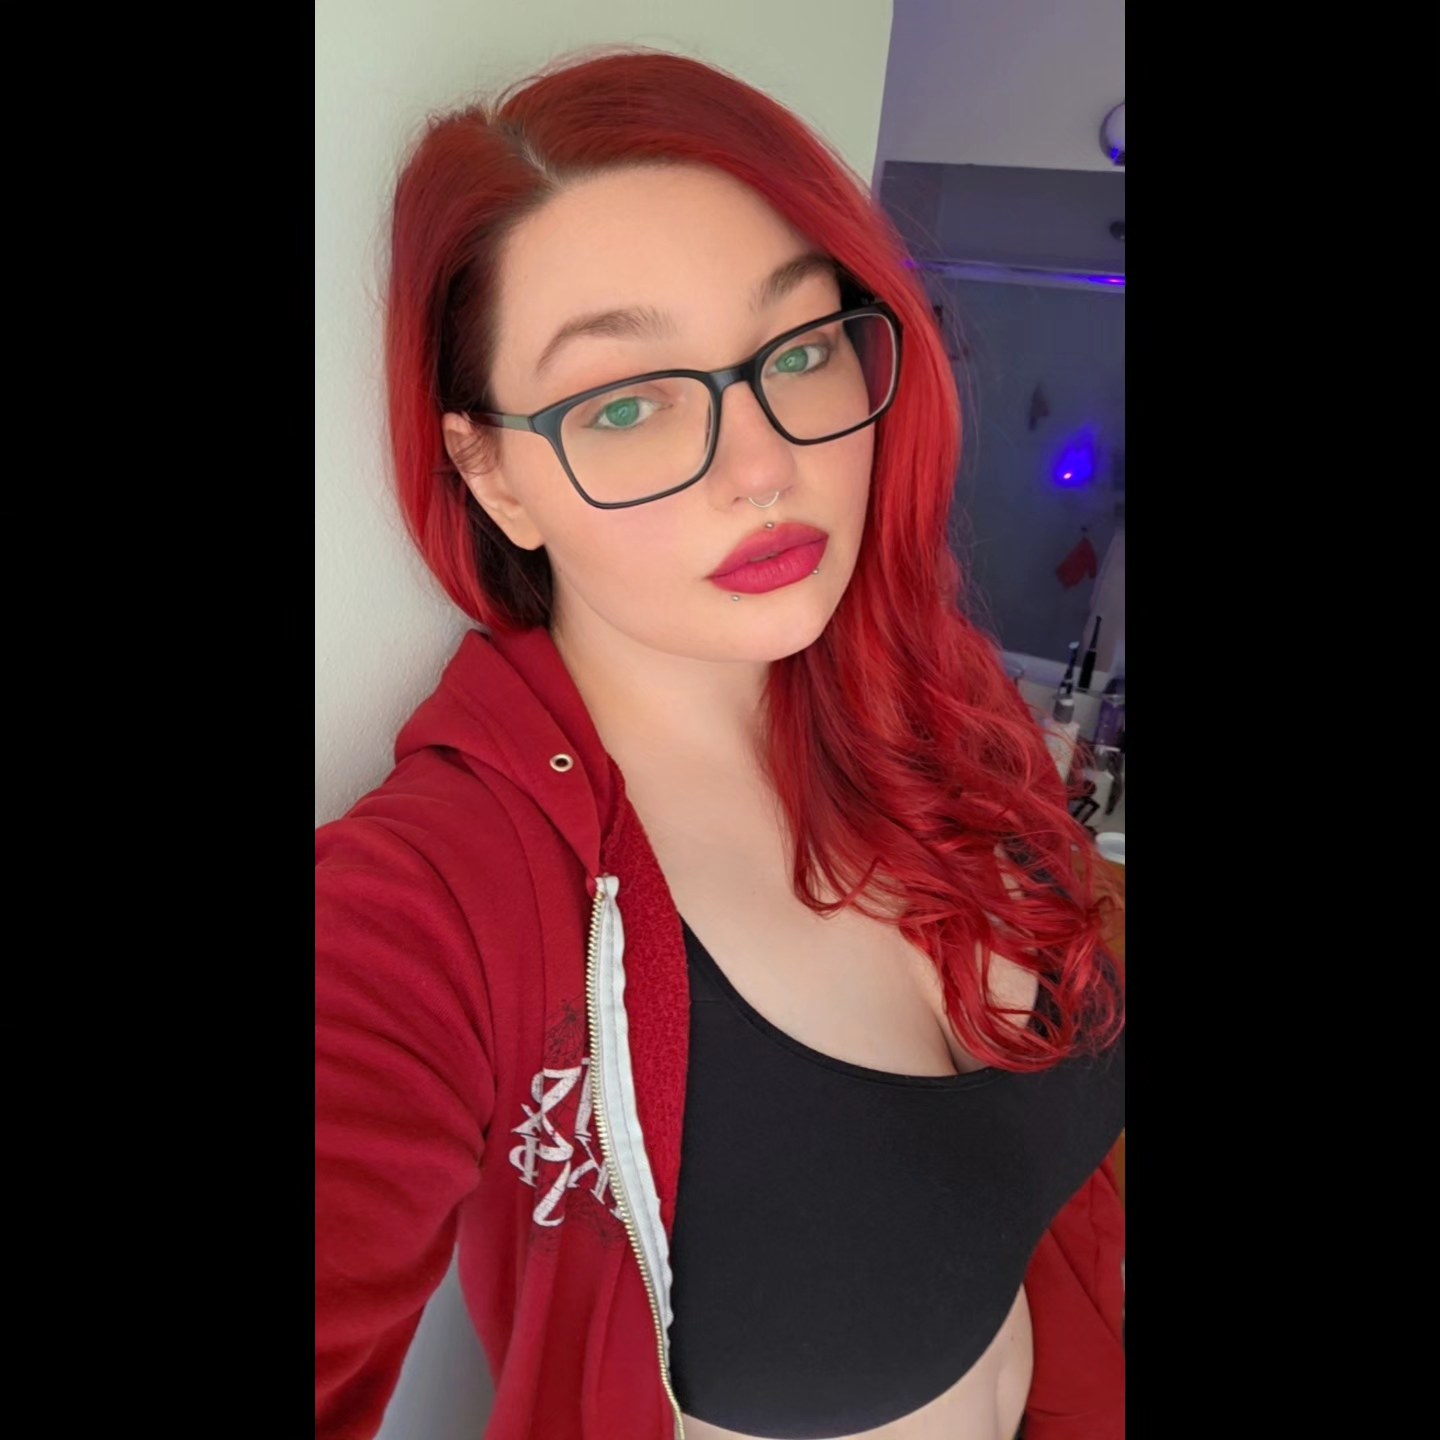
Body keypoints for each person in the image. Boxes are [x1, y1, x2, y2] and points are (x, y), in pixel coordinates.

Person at [317, 44, 1125, 1440]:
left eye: (798, 351)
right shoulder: (436, 903)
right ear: (493, 474)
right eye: (626, 403)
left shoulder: (942, 707)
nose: (765, 467)